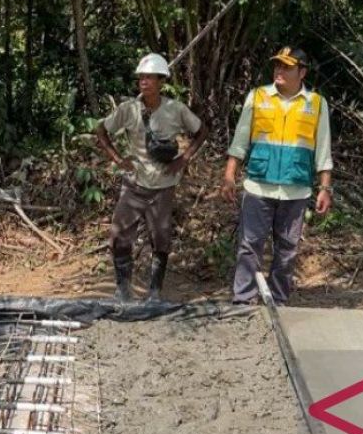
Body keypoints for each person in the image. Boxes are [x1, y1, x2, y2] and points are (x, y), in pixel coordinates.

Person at [222, 47, 334, 305]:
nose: (279, 71)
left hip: (296, 189)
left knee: (287, 250)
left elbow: (323, 149)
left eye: (287, 67)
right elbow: (240, 141)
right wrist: (229, 175)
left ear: (302, 72)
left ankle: (280, 301)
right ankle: (243, 299)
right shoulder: (258, 96)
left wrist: (325, 188)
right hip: (259, 186)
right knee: (249, 246)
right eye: (277, 66)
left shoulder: (316, 104)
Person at [95, 53, 208, 302]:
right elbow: (101, 129)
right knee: (119, 235)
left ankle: (155, 291)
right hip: (134, 183)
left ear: (161, 81)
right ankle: (123, 288)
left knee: (161, 237)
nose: (144, 81)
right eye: (141, 77)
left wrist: (184, 158)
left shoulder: (175, 109)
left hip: (163, 186)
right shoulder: (128, 109)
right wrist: (117, 159)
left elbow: (201, 131)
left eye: (149, 77)